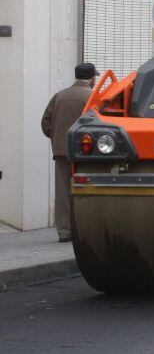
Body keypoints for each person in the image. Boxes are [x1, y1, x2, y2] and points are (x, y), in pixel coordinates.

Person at [40, 63, 96, 242]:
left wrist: (57, 137)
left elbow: (45, 122)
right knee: (87, 190)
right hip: (85, 153)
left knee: (63, 191)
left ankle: (64, 231)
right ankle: (84, 231)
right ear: (93, 78)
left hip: (62, 150)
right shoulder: (92, 97)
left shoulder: (60, 96)